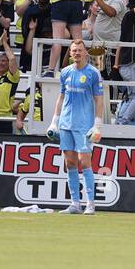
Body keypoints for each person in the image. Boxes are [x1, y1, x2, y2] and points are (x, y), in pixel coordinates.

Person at [47, 40, 105, 215]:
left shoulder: (93, 73)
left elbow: (99, 100)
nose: (77, 53)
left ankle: (90, 204)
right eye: (74, 50)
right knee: (70, 163)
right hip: (65, 124)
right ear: (70, 53)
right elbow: (61, 97)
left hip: (84, 125)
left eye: (80, 50)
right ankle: (75, 203)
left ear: (85, 52)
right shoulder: (65, 72)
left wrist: (97, 125)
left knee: (85, 162)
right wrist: (54, 122)